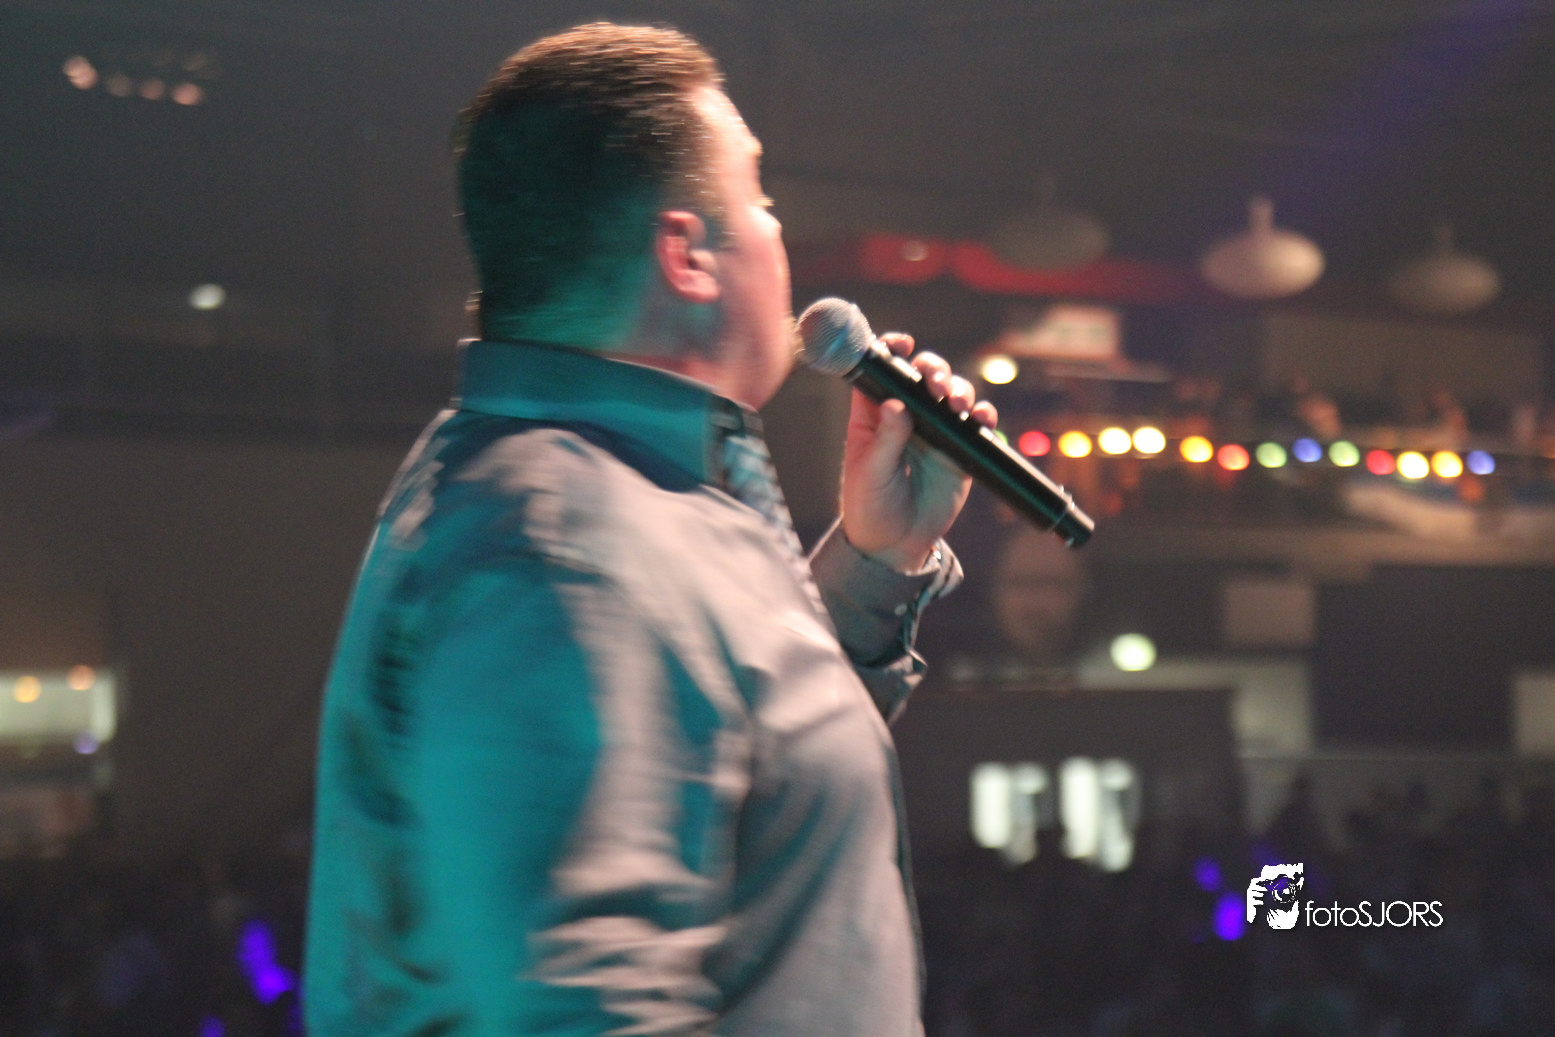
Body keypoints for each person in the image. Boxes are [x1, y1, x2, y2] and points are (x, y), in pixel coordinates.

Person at [304, 22, 995, 1037]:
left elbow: (742, 792)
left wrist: (877, 559)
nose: (776, 230)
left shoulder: (621, 499)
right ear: (687, 254)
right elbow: (578, 1007)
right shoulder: (559, 551)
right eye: (758, 197)